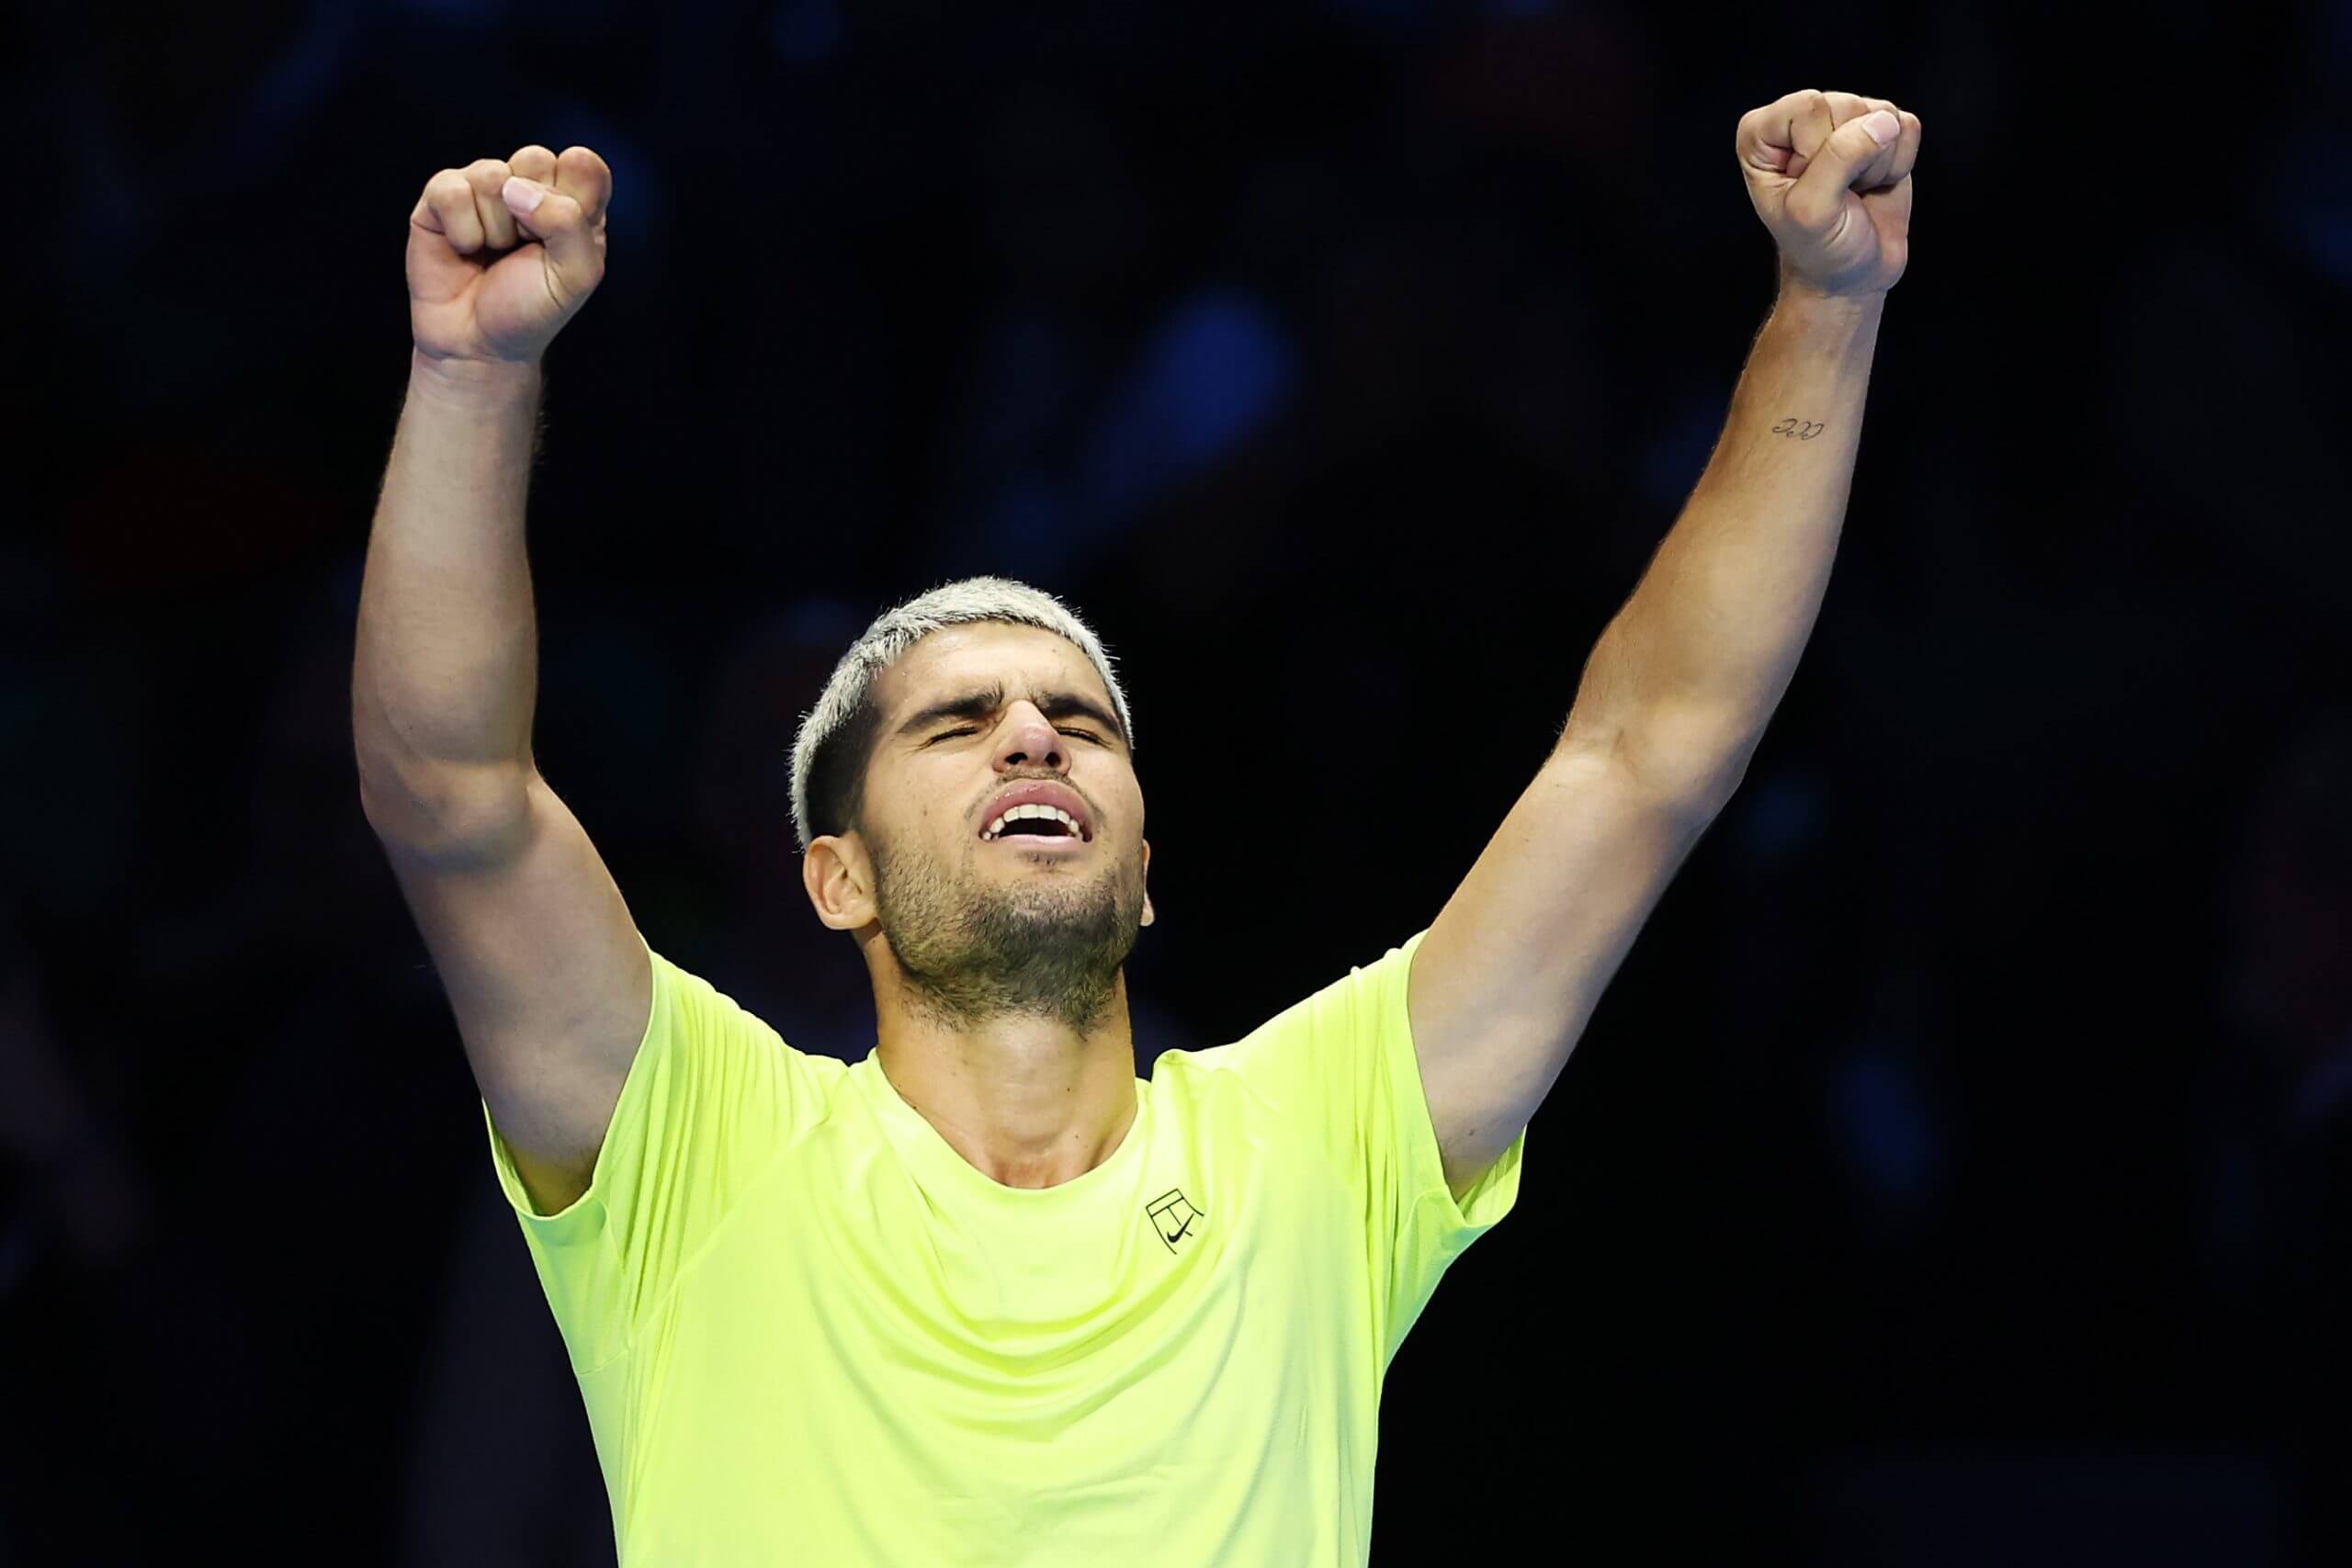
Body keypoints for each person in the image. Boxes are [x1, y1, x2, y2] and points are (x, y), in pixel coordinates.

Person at [356, 94, 1917, 1562]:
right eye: (956, 725)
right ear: (836, 878)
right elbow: (453, 798)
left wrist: (1827, 312)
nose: (1034, 731)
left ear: (1145, 871)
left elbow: (1645, 755)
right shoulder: (699, 1151)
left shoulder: (1315, 1144)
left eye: (1080, 721)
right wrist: (472, 376)